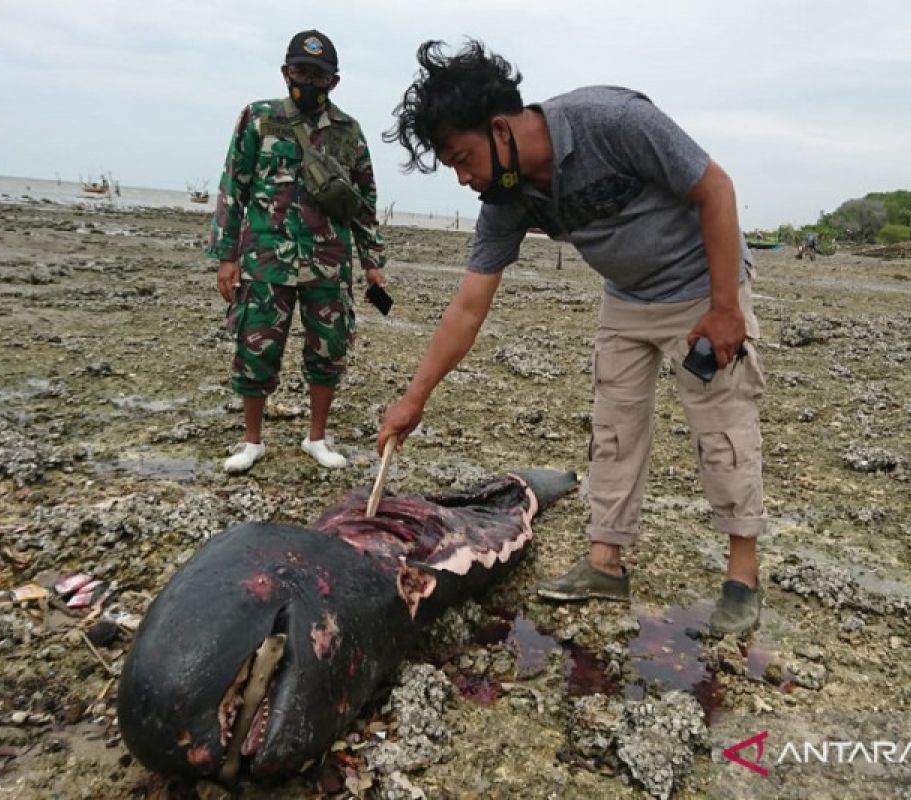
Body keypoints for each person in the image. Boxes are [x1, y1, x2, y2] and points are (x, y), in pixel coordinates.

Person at [377, 40, 768, 635]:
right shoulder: (504, 200)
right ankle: (604, 564)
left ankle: (742, 577)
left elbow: (715, 188)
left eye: (462, 158)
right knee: (612, 431)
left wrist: (724, 307)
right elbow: (468, 306)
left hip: (701, 288)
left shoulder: (610, 120)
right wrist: (415, 398)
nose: (462, 179)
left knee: (723, 432)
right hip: (627, 299)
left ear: (501, 127)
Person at [207, 29, 386, 473]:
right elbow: (235, 188)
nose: (308, 80)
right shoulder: (259, 118)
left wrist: (373, 263)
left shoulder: (348, 132)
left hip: (328, 261)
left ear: (334, 81)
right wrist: (226, 258)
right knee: (255, 348)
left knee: (328, 350)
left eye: (318, 74)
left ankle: (317, 438)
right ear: (286, 71)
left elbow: (364, 201)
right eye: (301, 71)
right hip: (266, 258)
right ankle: (252, 442)